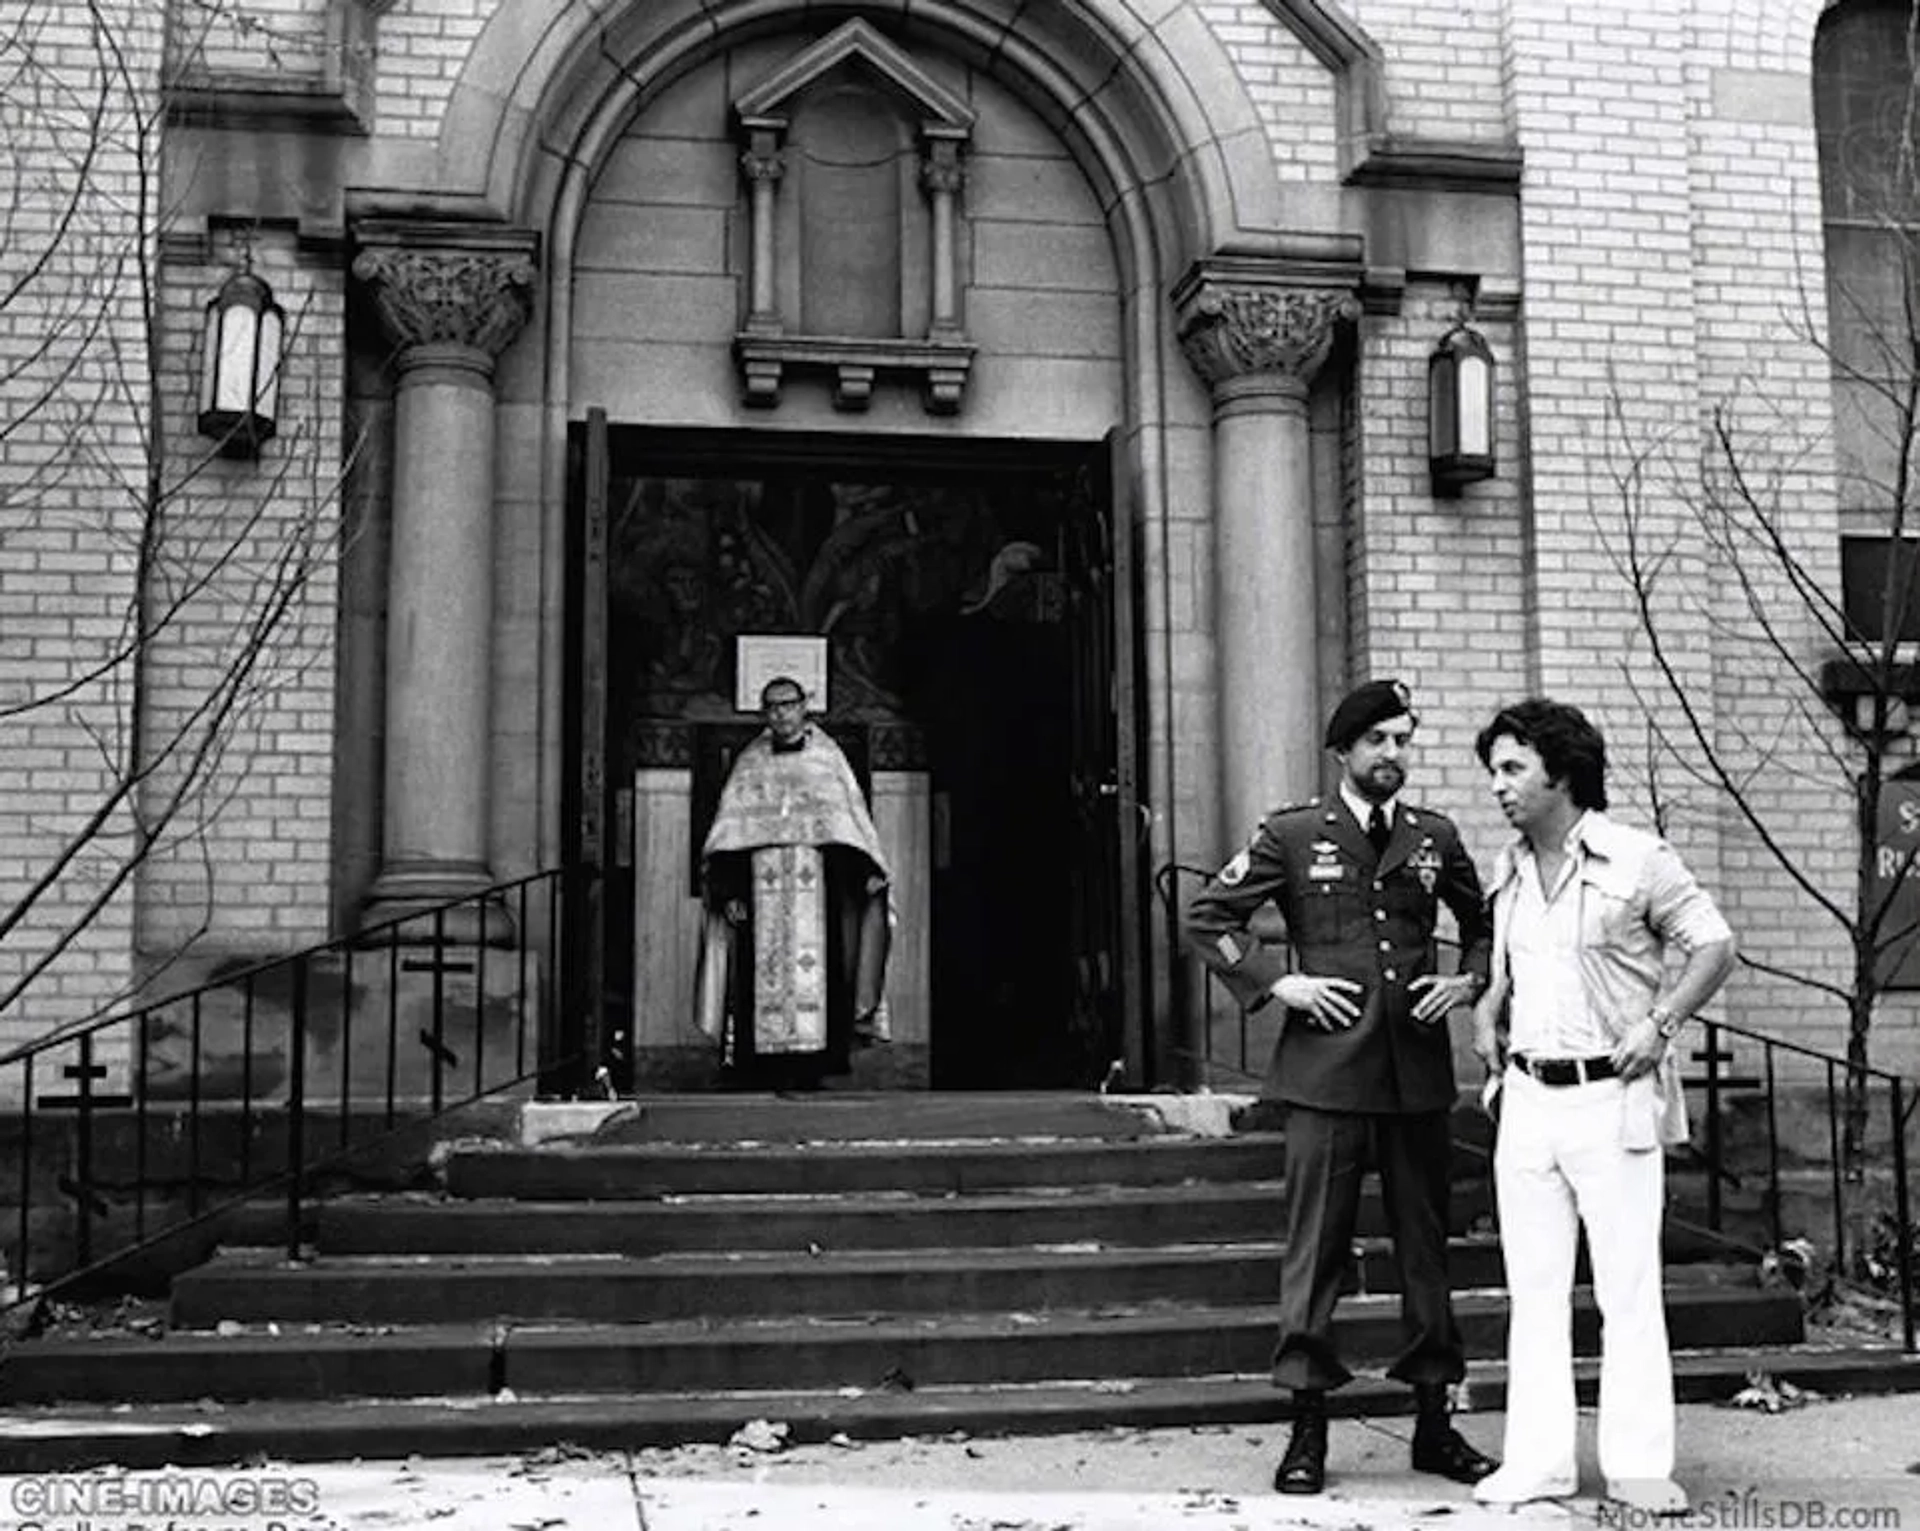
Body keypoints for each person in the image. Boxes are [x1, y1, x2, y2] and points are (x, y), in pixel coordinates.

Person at [1186, 679, 1496, 1496]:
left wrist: (1469, 982)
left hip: (1417, 1078)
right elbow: (1206, 917)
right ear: (1343, 751)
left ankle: (1434, 1421)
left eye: (1403, 739)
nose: (1394, 754)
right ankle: (1307, 1428)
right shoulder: (1294, 833)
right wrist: (1273, 984)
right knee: (1314, 1252)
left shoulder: (1435, 835)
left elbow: (1486, 922)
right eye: (1378, 741)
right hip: (1325, 1076)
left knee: (1426, 1253)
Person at [1468, 698, 1736, 1515]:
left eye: (1513, 768)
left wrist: (1662, 1023)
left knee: (1626, 1288)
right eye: (1496, 770)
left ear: (1562, 771)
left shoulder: (1637, 857)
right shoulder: (1508, 867)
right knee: (1536, 1290)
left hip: (1610, 1098)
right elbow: (1514, 967)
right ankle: (1539, 1464)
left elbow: (1714, 943)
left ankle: (1640, 1467)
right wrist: (1487, 1009)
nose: (1499, 786)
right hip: (1526, 1099)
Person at [696, 676, 891, 1089]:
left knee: (821, 976)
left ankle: (814, 1068)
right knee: (755, 979)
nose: (780, 713)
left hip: (817, 892)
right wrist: (729, 891)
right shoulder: (750, 763)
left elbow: (847, 828)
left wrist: (864, 874)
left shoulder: (827, 760)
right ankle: (759, 1069)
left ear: (805, 707)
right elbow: (729, 836)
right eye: (771, 706)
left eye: (788, 704)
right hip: (757, 892)